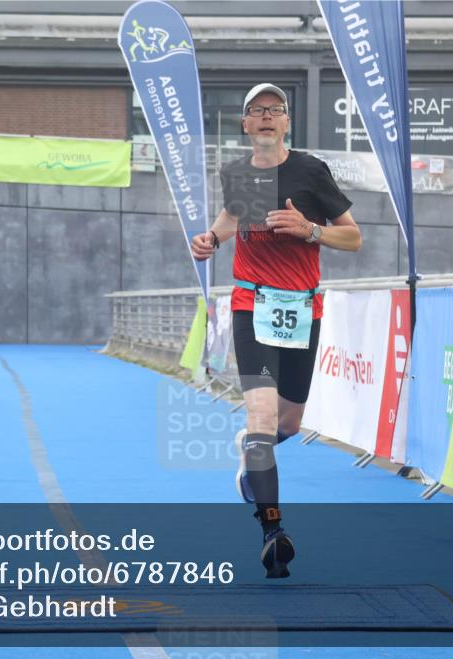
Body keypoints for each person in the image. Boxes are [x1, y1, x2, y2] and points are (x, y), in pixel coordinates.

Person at [190, 83, 362, 578]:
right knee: (263, 419)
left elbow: (353, 237)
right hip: (251, 306)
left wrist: (310, 229)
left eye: (275, 110)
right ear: (245, 125)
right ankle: (272, 532)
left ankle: (252, 452)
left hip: (301, 312)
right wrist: (211, 239)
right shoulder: (237, 173)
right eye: (256, 111)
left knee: (287, 425)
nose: (266, 117)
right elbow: (232, 217)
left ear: (287, 122)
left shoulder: (310, 172)